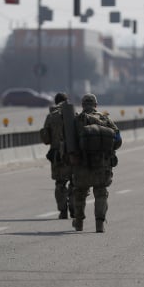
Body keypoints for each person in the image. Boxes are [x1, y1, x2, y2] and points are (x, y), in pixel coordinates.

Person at [70, 93, 122, 233]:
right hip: (102, 164)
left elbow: (68, 143)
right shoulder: (105, 119)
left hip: (81, 164)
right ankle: (99, 224)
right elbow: (118, 140)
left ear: (82, 105)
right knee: (100, 193)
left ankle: (79, 223)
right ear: (96, 105)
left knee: (79, 193)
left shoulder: (75, 121)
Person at [40, 92, 74, 219]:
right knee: (74, 182)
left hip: (56, 155)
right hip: (71, 154)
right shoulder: (72, 114)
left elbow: (46, 139)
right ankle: (74, 207)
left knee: (60, 183)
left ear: (55, 102)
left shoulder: (51, 116)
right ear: (67, 101)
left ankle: (63, 210)